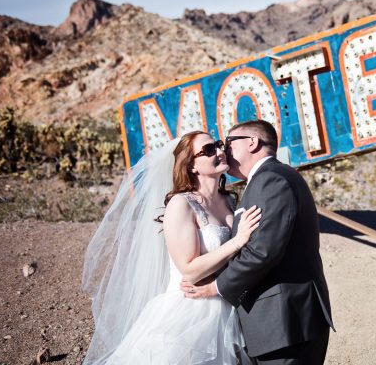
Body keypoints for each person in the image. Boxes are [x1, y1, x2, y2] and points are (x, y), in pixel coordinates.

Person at [83, 130, 261, 364]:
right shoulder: (181, 204)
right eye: (208, 150)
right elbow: (189, 270)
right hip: (191, 314)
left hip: (228, 307)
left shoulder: (229, 200)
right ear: (192, 165)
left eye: (218, 145)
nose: (219, 151)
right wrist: (238, 241)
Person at [182, 119, 334, 364]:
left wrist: (215, 288)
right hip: (285, 321)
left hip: (284, 322)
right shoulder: (270, 178)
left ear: (252, 142)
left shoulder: (269, 179)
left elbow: (262, 252)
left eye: (228, 143)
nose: (223, 151)